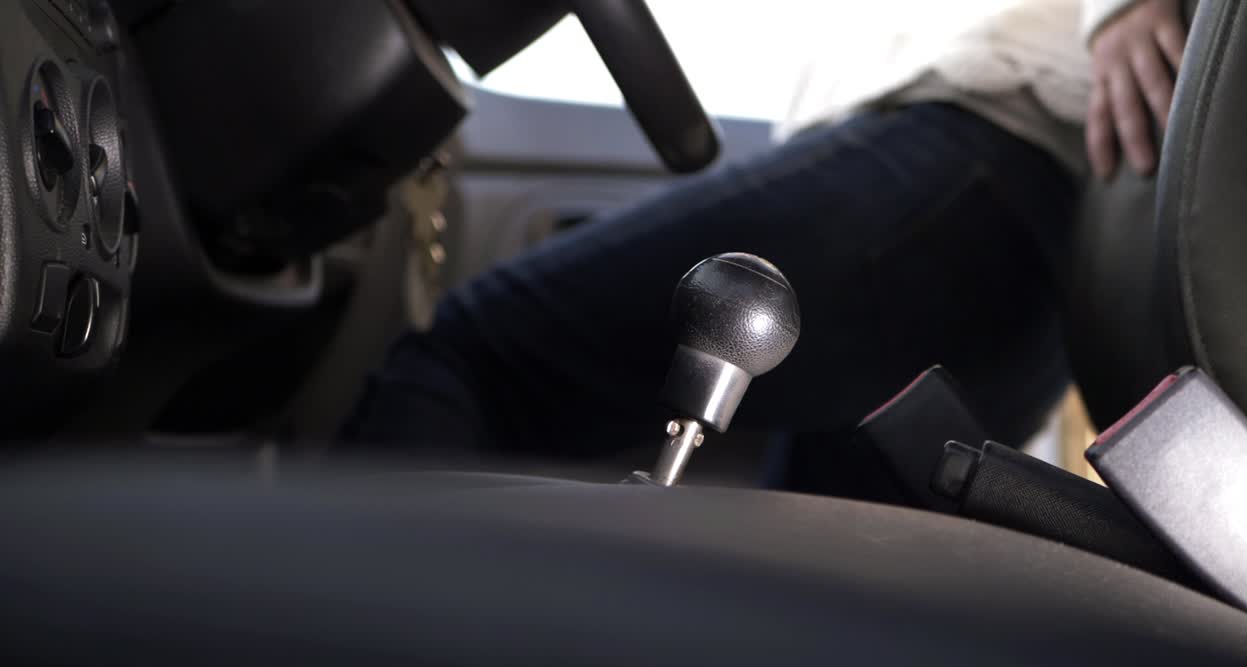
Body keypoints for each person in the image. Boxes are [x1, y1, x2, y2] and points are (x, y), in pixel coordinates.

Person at [340, 0, 1189, 489]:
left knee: (476, 357)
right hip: (1027, 229)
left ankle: (316, 650)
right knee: (822, 580)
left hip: (983, 151)